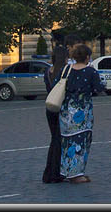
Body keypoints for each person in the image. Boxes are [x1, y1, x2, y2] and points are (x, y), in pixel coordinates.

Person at [58, 42, 104, 184]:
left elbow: (56, 84)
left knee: (67, 142)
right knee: (81, 142)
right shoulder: (90, 72)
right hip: (82, 113)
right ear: (87, 57)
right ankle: (76, 174)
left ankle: (66, 171)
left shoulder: (66, 69)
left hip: (66, 112)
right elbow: (98, 88)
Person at [42, 44, 69, 184]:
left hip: (50, 107)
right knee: (59, 141)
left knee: (54, 140)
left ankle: (49, 172)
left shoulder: (48, 72)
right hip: (61, 108)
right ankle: (56, 173)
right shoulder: (64, 72)